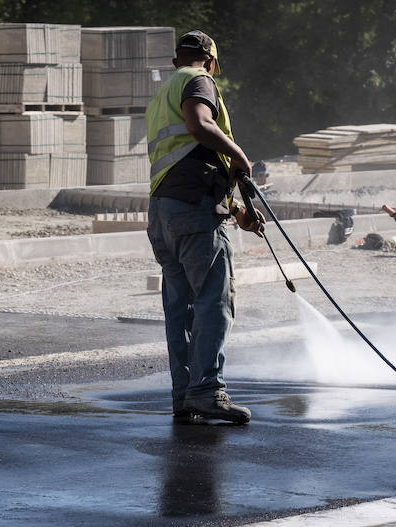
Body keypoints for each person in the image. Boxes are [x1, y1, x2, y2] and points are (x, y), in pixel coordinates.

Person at [146, 30, 263, 424]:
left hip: (164, 212)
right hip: (192, 214)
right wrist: (240, 156)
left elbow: (189, 163)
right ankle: (208, 391)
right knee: (213, 301)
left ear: (178, 59)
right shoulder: (199, 81)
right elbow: (199, 125)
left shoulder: (163, 93)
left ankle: (185, 396)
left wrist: (235, 211)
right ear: (210, 62)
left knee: (179, 309)